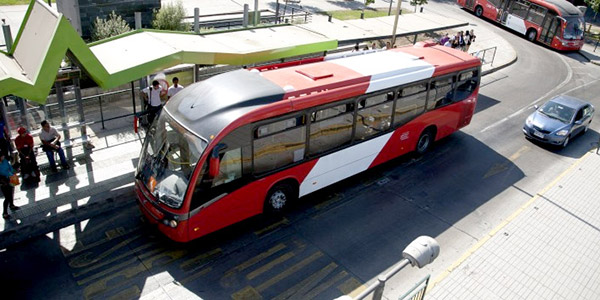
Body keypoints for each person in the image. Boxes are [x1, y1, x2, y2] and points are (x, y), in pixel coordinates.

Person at [0, 152, 18, 219]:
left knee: (11, 193)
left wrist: (13, 173)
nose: (3, 157)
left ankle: (11, 205)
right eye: (2, 156)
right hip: (3, 181)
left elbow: (9, 167)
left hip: (10, 178)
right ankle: (5, 212)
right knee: (7, 197)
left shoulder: (5, 161)